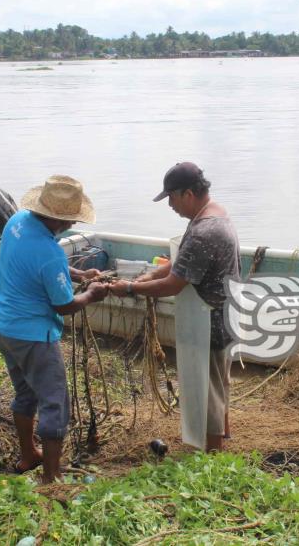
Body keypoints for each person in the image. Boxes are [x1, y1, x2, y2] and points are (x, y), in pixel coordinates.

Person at [108, 162, 240, 452]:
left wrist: (129, 287)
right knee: (220, 383)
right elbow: (182, 260)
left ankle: (213, 454)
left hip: (210, 320)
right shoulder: (215, 214)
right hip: (227, 312)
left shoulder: (204, 231)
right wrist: (152, 274)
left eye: (171, 197)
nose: (169, 205)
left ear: (189, 194)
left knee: (208, 389)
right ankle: (223, 436)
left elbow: (173, 285)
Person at [0, 175, 108, 484]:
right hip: (32, 336)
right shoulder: (49, 252)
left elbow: (37, 263)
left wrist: (78, 273)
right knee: (55, 400)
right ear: (61, 219)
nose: (71, 227)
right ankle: (50, 479)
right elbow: (64, 305)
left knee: (25, 391)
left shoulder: (17, 221)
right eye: (70, 221)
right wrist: (92, 294)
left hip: (4, 325)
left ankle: (28, 456)